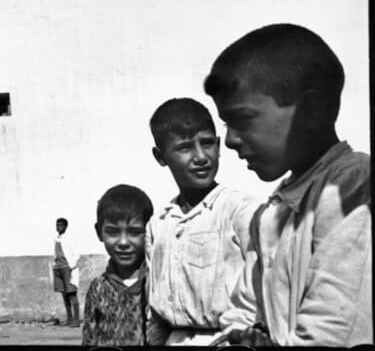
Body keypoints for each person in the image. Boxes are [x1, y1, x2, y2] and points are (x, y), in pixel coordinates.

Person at [205, 24, 371, 346]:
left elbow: (334, 330)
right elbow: (244, 310)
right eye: (226, 124)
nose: (229, 140)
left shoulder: (350, 186)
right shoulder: (270, 213)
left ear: (310, 111)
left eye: (242, 119)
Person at [144, 97, 259, 345]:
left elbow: (264, 291)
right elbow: (155, 312)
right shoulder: (159, 224)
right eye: (185, 148)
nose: (200, 157)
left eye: (207, 143)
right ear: (160, 156)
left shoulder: (240, 211)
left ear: (219, 146)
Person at [82, 184, 153, 347]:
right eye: (113, 232)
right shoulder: (98, 288)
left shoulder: (155, 284)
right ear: (99, 232)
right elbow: (89, 339)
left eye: (135, 232)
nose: (123, 242)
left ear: (149, 232)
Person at [50, 217, 81, 327]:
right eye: (57, 225)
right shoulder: (56, 239)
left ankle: (76, 320)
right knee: (64, 294)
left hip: (67, 268)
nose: (58, 227)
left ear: (65, 227)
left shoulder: (69, 239)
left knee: (71, 293)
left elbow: (76, 254)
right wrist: (54, 265)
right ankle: (69, 318)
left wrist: (71, 266)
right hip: (58, 268)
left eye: (61, 225)